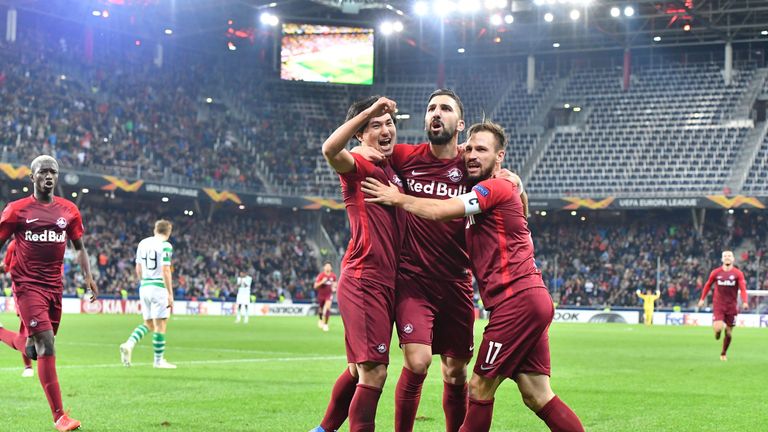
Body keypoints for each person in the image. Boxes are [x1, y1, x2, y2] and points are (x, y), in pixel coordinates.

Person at [362, 121, 584, 432]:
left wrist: (397, 198)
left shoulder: (492, 188)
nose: (472, 154)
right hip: (530, 299)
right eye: (470, 148)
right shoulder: (501, 189)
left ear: (500, 156)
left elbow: (441, 211)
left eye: (482, 149)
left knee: (479, 388)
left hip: (516, 301)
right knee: (537, 394)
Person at [310, 96, 405, 432]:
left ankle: (323, 430)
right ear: (361, 134)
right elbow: (329, 149)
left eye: (389, 123)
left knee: (357, 369)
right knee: (374, 372)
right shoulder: (358, 165)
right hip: (365, 278)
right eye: (376, 125)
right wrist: (367, 111)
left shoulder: (392, 169)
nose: (385, 129)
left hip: (386, 281)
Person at [0, 155, 99, 431]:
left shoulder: (69, 210)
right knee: (46, 345)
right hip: (27, 286)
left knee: (33, 348)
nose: (48, 176)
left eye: (53, 172)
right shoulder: (17, 210)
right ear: (32, 177)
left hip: (55, 288)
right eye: (42, 171)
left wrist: (88, 276)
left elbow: (79, 248)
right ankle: (59, 416)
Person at [119, 220, 176, 369]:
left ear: (155, 229)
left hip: (144, 286)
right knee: (161, 324)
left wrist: (143, 283)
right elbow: (165, 270)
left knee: (149, 323)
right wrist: (170, 293)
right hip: (159, 287)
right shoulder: (166, 246)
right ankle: (158, 361)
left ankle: (129, 344)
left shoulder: (143, 243)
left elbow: (138, 268)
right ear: (169, 231)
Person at [697, 250, 748, 361]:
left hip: (731, 307)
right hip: (719, 305)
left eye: (729, 256)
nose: (727, 257)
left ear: (733, 259)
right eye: (725, 256)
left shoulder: (738, 273)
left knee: (729, 333)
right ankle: (717, 333)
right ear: (722, 259)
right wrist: (702, 299)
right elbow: (707, 285)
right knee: (718, 328)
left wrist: (745, 301)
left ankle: (723, 353)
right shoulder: (716, 272)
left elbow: (743, 289)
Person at [0, 239, 35, 377]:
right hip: (24, 292)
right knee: (28, 332)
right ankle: (28, 367)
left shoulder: (46, 239)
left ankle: (28, 367)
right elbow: (6, 267)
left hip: (44, 291)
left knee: (31, 334)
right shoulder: (14, 245)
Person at [314, 261, 337, 332]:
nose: (328, 267)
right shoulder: (321, 276)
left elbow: (335, 285)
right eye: (326, 266)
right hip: (321, 295)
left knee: (328, 308)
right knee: (320, 308)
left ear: (331, 268)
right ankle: (320, 319)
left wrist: (334, 288)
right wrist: (322, 282)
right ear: (324, 267)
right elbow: (315, 286)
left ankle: (326, 324)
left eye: (329, 266)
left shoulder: (333, 276)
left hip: (328, 295)